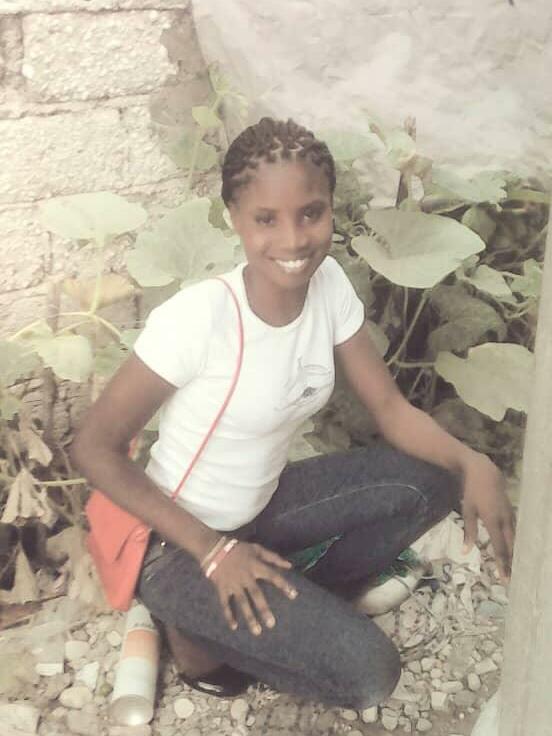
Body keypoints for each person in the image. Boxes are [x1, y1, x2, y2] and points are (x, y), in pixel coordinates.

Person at [71, 117, 515, 708]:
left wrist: (473, 460)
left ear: (331, 207)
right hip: (176, 543)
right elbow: (93, 448)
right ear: (234, 218)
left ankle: (282, 603)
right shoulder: (199, 318)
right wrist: (213, 552)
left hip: (261, 511)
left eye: (311, 213)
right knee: (370, 674)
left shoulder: (328, 285)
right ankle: (194, 629)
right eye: (266, 219)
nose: (294, 240)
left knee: (431, 482)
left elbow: (389, 407)